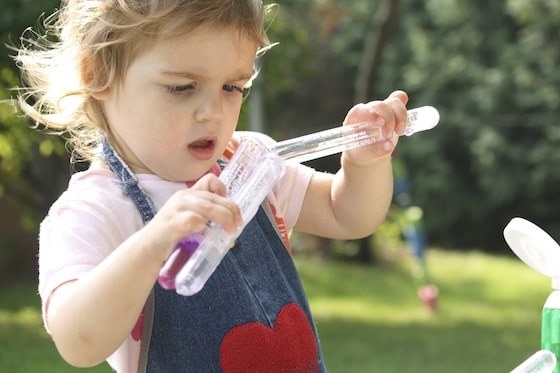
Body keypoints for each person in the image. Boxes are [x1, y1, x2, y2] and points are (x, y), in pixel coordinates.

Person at [14, 1, 409, 371]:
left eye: (232, 87)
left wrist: (364, 164)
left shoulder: (247, 163)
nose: (213, 112)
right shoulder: (93, 211)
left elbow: (348, 215)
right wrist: (156, 241)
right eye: (182, 87)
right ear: (98, 73)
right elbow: (78, 342)